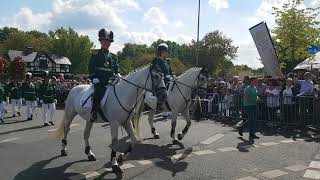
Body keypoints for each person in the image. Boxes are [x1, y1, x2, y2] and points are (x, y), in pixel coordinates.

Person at [88, 28, 119, 121]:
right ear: (101, 42)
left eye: (109, 42)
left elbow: (116, 68)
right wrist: (93, 77)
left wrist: (118, 74)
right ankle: (94, 111)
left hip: (111, 80)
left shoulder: (113, 56)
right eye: (105, 41)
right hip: (99, 80)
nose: (107, 43)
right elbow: (91, 67)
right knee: (99, 90)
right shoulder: (95, 53)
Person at [151, 43, 172, 111]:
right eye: (166, 51)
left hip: (168, 79)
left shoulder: (166, 61)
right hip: (160, 79)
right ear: (162, 52)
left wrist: (172, 75)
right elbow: (156, 70)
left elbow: (169, 70)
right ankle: (161, 106)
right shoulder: (157, 60)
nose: (167, 53)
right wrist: (165, 75)